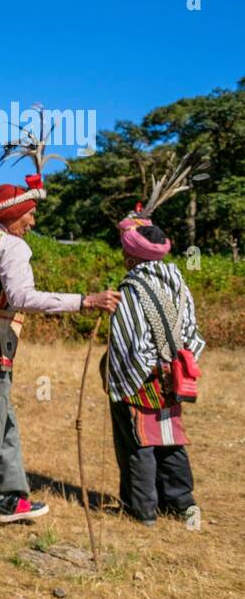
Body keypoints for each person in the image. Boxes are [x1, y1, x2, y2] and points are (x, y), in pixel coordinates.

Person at [0, 175, 119, 539]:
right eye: (29, 214)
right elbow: (22, 298)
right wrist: (85, 301)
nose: (33, 222)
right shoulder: (10, 246)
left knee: (2, 422)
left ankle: (12, 499)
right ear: (13, 214)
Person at [103, 212, 204, 528]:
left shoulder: (131, 288)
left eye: (125, 251)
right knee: (171, 436)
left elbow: (125, 341)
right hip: (174, 373)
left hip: (140, 376)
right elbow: (189, 327)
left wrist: (118, 377)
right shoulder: (177, 280)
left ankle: (143, 509)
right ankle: (182, 503)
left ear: (132, 254)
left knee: (138, 439)